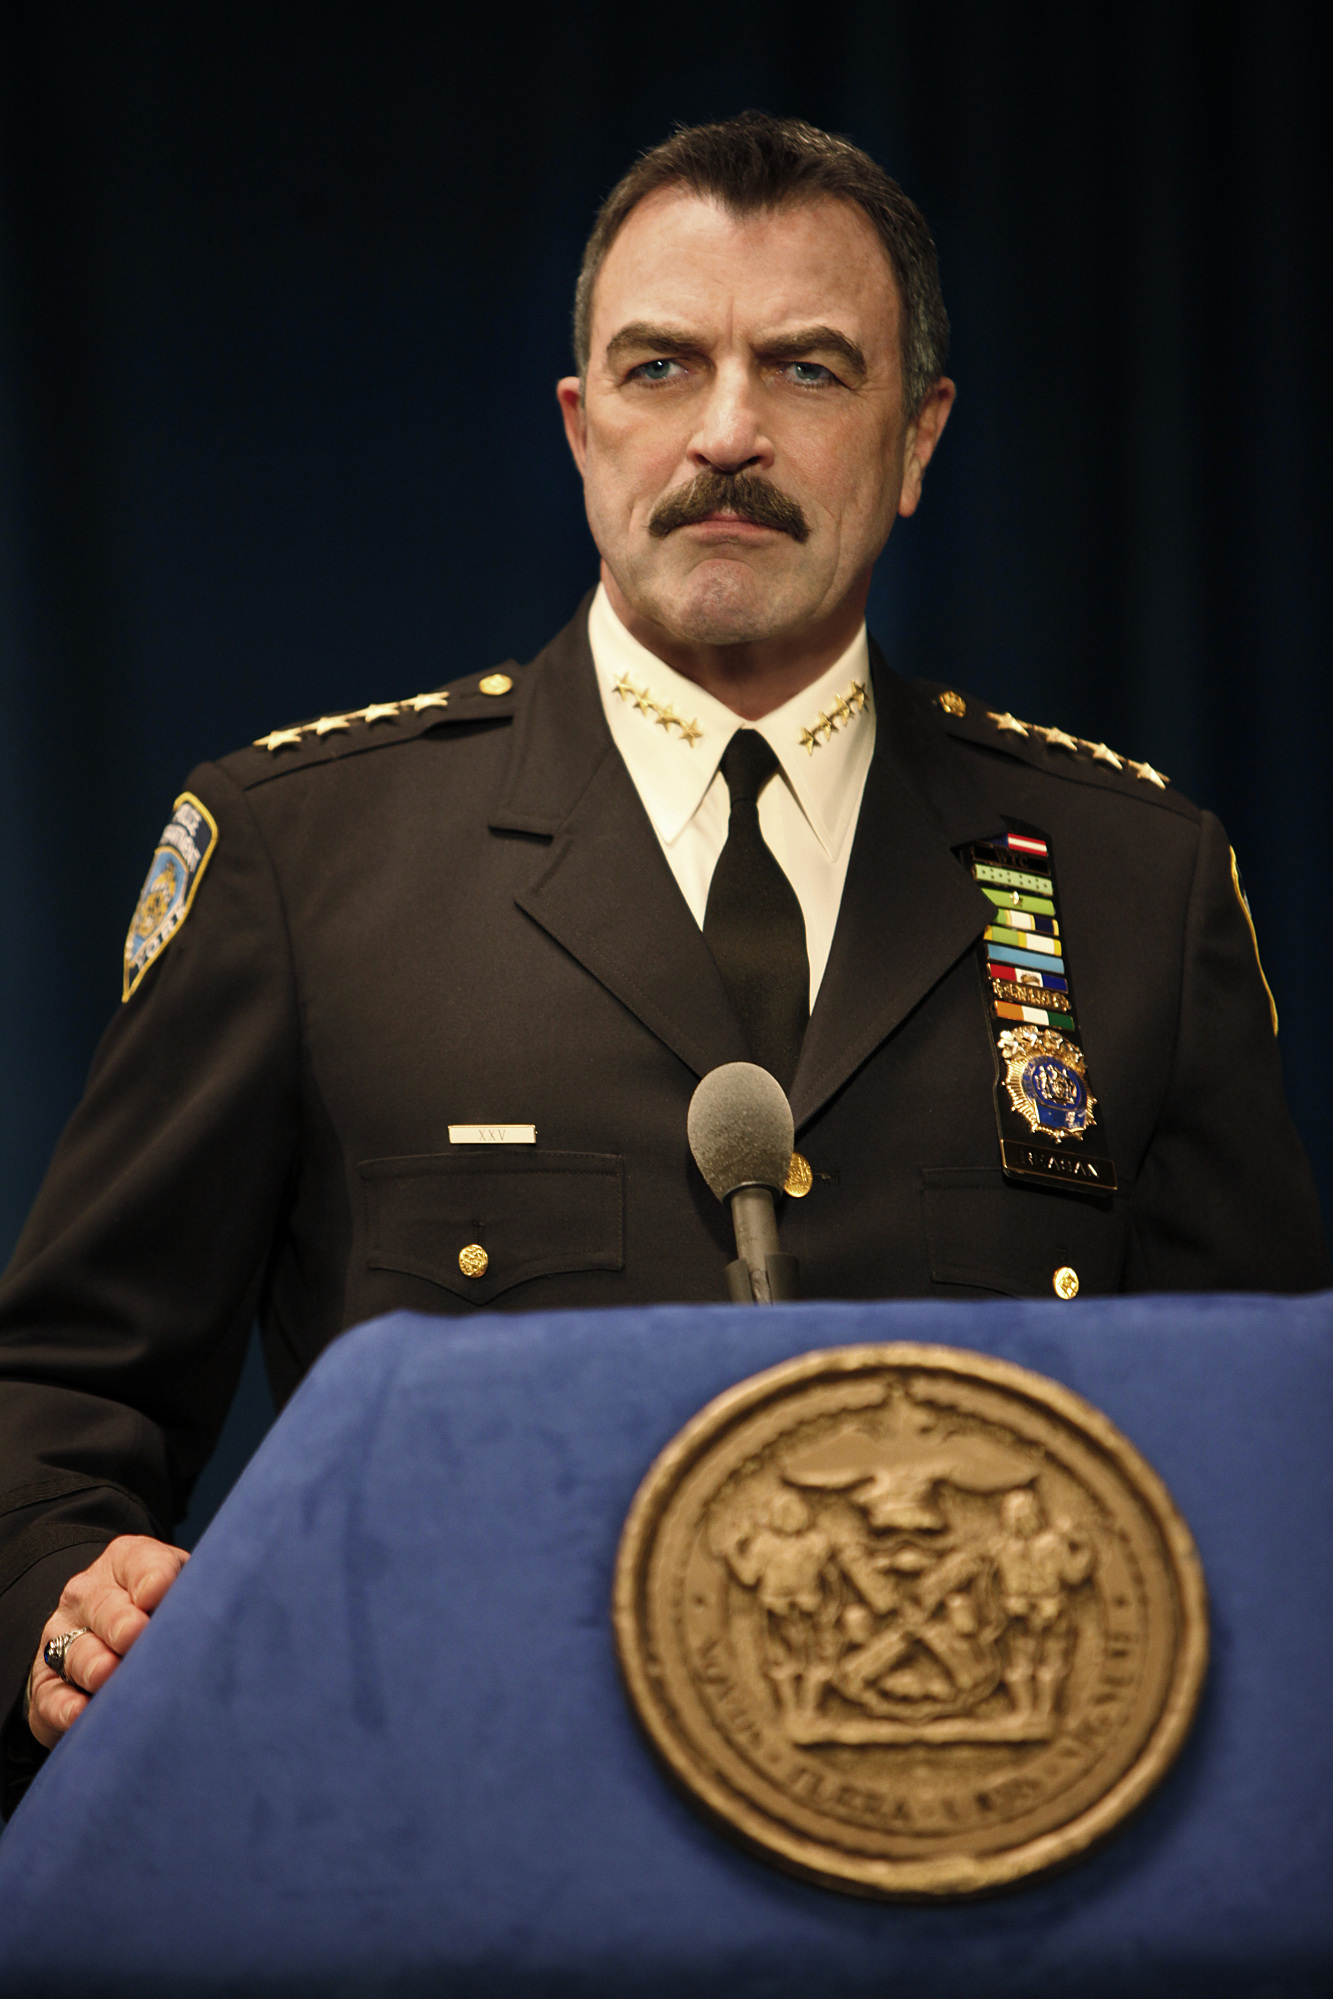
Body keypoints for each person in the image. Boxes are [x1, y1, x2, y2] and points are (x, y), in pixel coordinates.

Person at [0, 111, 1325, 1811]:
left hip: (976, 1876)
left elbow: (1274, 1456)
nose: (724, 433)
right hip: (455, 1849)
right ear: (579, 427)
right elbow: (59, 1392)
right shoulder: (303, 854)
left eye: (807, 370)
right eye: (658, 367)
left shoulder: (1134, 880)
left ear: (918, 440)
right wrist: (64, 1598)